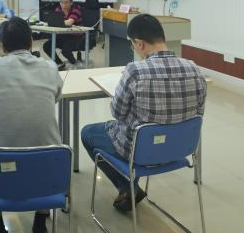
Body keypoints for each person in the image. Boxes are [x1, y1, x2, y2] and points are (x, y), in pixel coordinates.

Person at [81, 14, 206, 213]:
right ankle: (129, 186)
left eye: (132, 45)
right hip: (179, 150)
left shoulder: (135, 71)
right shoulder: (195, 69)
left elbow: (117, 113)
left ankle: (126, 187)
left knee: (88, 132)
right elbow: (198, 114)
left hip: (141, 151)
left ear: (139, 44)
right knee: (139, 132)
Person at [0, 17, 61, 233]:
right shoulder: (50, 67)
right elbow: (56, 96)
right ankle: (41, 219)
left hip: (1, 159)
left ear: (2, 46)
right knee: (46, 149)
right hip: (49, 160)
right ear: (31, 41)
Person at [42, 0, 83, 69]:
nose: (63, 5)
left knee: (65, 49)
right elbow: (55, 21)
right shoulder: (58, 9)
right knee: (47, 46)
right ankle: (60, 64)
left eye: (66, 2)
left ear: (71, 2)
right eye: (61, 2)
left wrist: (56, 22)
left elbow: (69, 22)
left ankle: (74, 62)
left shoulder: (76, 9)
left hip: (76, 36)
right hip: (63, 35)